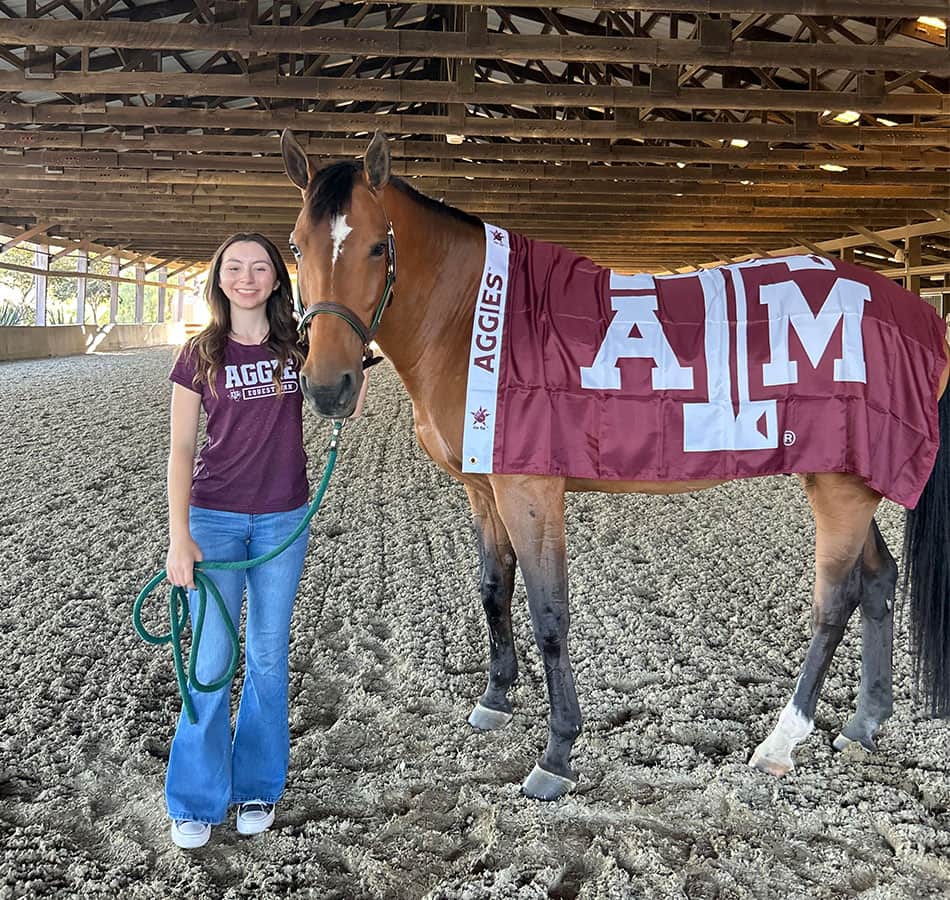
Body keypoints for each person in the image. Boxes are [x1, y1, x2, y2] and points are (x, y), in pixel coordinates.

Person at [163, 232, 310, 849]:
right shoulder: (199, 353)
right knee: (210, 662)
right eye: (233, 267)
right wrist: (178, 538)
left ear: (277, 278)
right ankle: (196, 798)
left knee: (270, 661)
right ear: (219, 278)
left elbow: (339, 402)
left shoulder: (296, 348)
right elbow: (179, 450)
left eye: (259, 268)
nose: (246, 277)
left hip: (283, 520)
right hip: (214, 521)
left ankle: (257, 788)